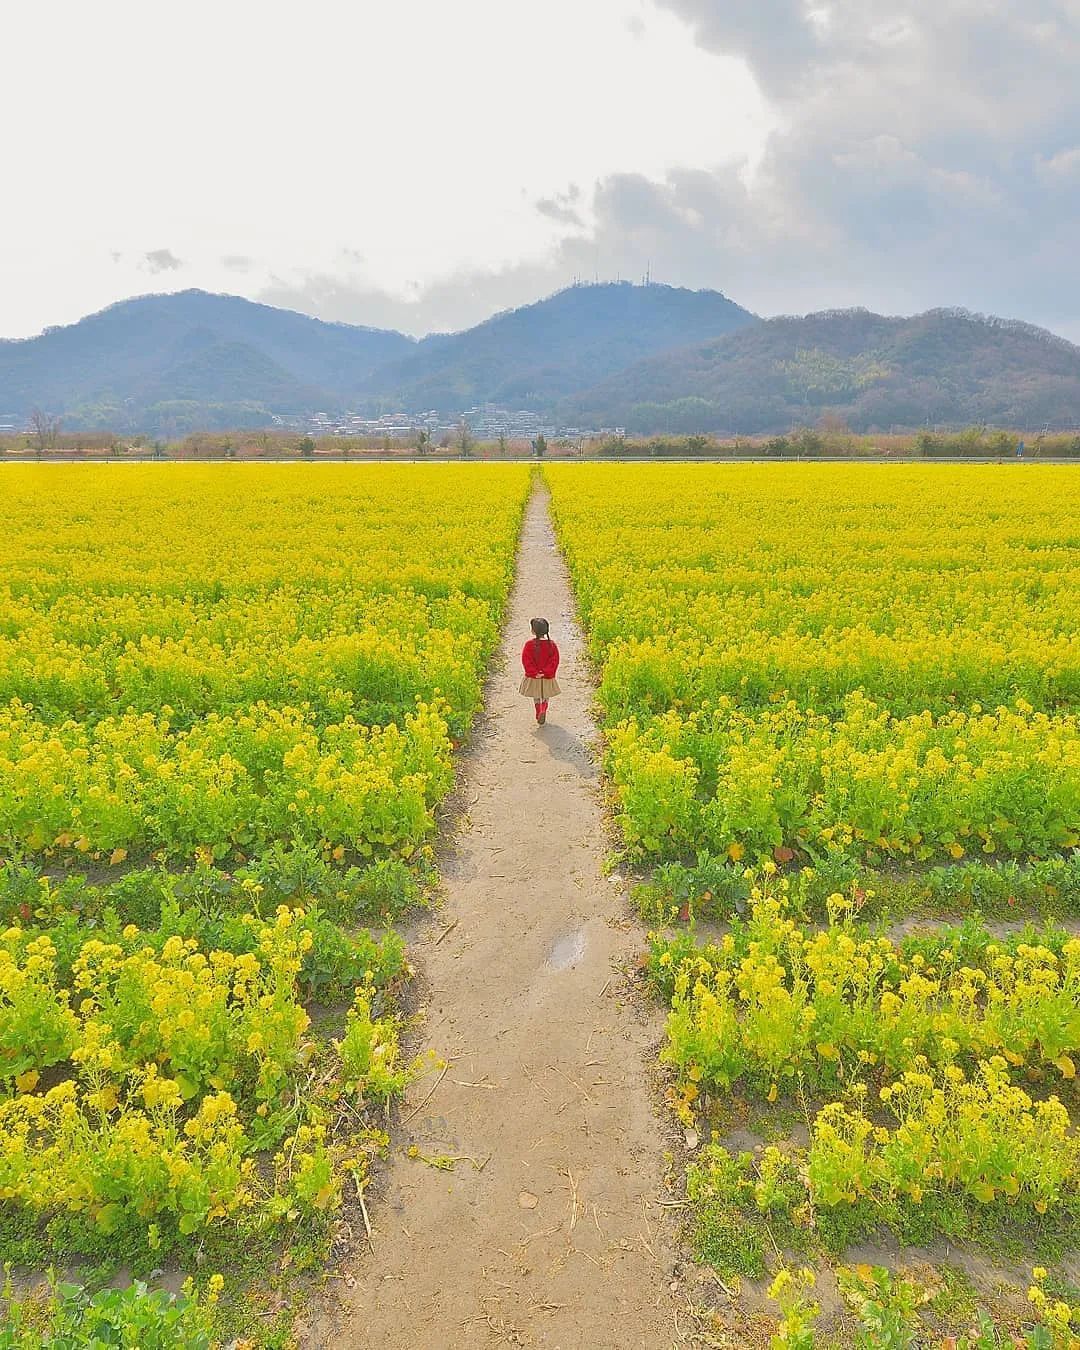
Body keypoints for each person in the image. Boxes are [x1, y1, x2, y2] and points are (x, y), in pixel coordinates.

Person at [519, 617, 561, 725]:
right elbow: (555, 660)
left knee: (536, 695)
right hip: (547, 676)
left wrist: (534, 672)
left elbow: (526, 659)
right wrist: (546, 672)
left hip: (534, 677)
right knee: (545, 695)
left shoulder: (529, 645)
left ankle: (538, 710)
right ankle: (544, 708)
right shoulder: (552, 645)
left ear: (533, 631)